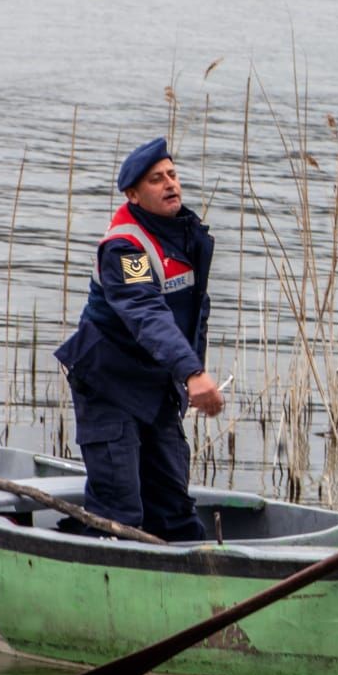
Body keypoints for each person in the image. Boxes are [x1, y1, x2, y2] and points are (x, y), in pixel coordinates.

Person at [53, 137, 224, 542]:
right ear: (133, 194)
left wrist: (181, 382)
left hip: (155, 389)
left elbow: (192, 316)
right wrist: (194, 374)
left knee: (174, 508)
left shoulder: (183, 234)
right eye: (156, 180)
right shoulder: (124, 249)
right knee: (120, 509)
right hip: (109, 387)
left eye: (172, 175)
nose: (170, 185)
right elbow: (147, 315)